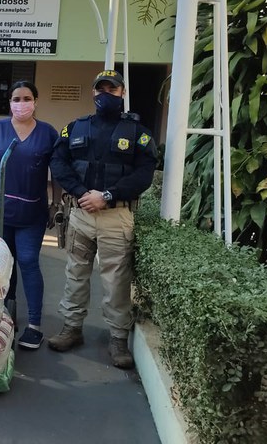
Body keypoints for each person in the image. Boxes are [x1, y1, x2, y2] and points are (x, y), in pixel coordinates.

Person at [48, 69, 157, 368]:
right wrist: (82, 192)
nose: (106, 94)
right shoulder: (75, 128)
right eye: (101, 89)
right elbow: (58, 162)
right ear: (94, 93)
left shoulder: (138, 133)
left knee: (116, 280)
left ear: (122, 93)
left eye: (112, 89)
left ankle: (118, 339)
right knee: (75, 272)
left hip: (116, 216)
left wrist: (106, 195)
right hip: (81, 213)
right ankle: (72, 328)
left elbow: (143, 175)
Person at [0, 81, 58, 350]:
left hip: (33, 211)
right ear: (9, 102)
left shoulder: (47, 133)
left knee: (29, 260)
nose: (22, 103)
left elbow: (58, 170)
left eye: (27, 98)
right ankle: (7, 315)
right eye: (16, 98)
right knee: (3, 265)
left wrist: (56, 203)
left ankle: (34, 325)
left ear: (36, 101)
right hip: (0, 210)